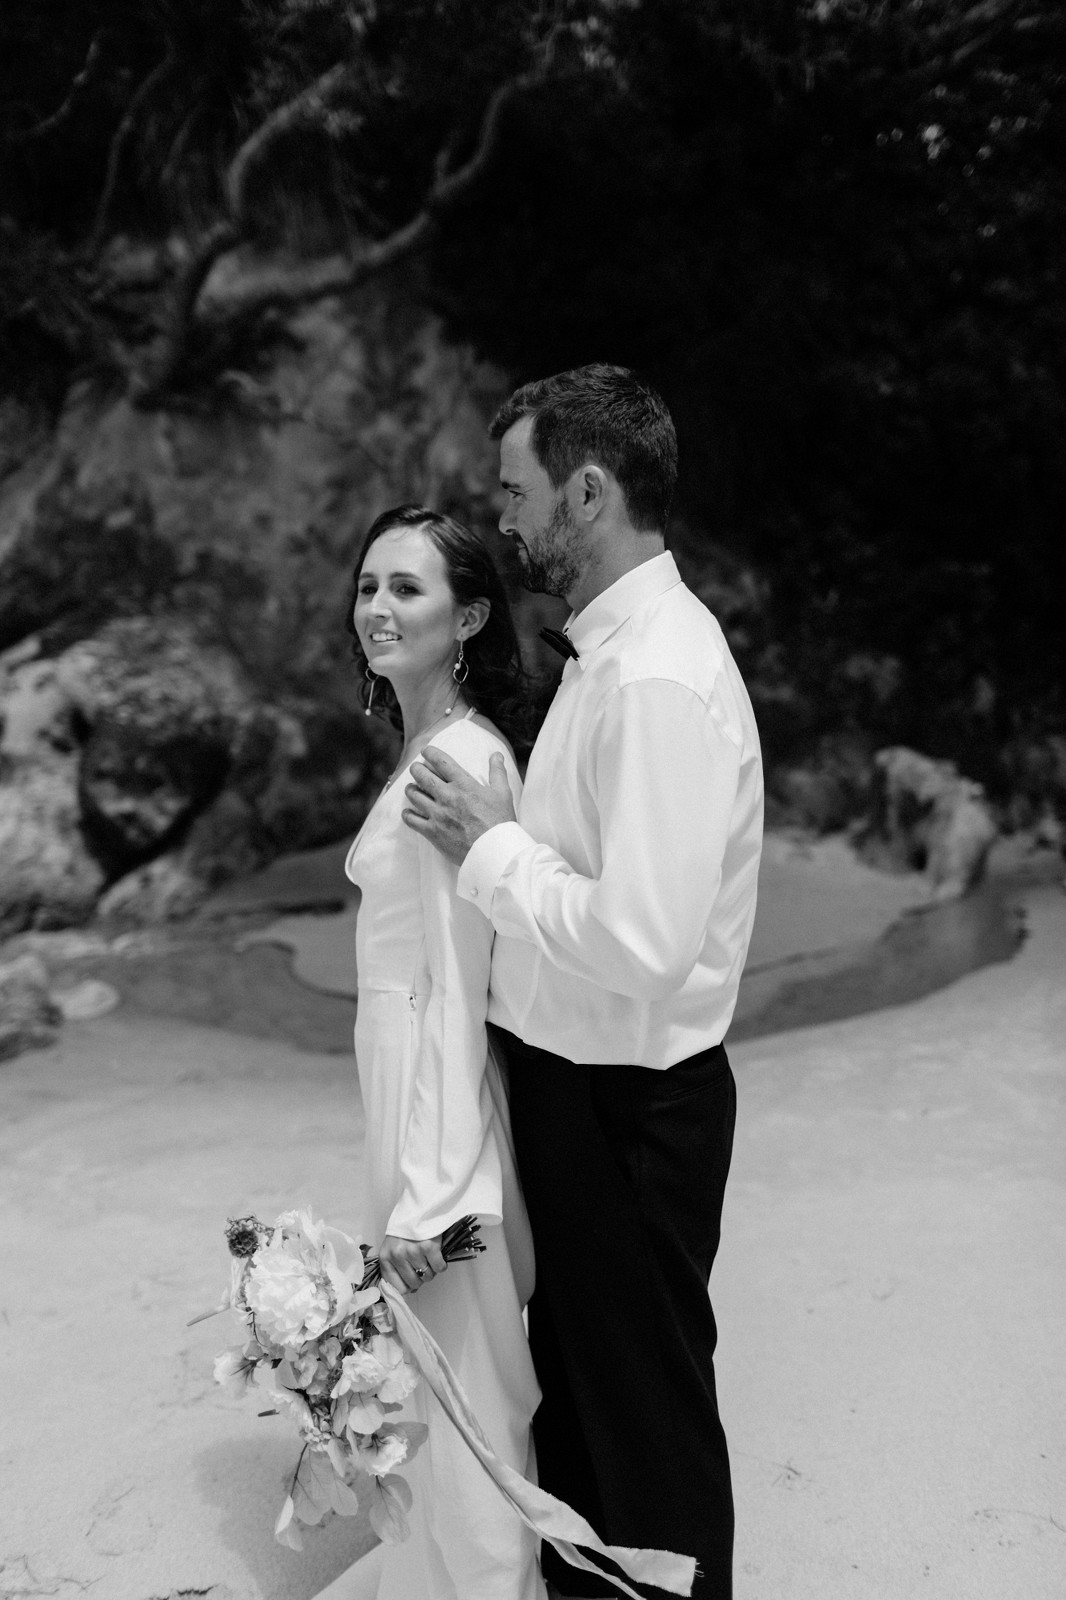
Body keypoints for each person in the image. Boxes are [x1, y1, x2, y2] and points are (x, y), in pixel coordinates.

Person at [403, 365, 764, 1600]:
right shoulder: (610, 653)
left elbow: (644, 943)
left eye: (518, 491)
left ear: (590, 492)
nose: (503, 518)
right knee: (586, 1403)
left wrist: (490, 851)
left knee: (645, 1419)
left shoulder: (657, 678)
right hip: (581, 1090)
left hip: (632, 1107)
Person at [315, 504, 546, 1600]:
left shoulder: (455, 763)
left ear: (470, 618)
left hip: (436, 1124)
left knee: (464, 1415)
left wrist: (433, 1196)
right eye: (368, 585)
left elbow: (457, 990)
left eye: (406, 588)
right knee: (424, 1394)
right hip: (402, 1098)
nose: (377, 607)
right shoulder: (429, 747)